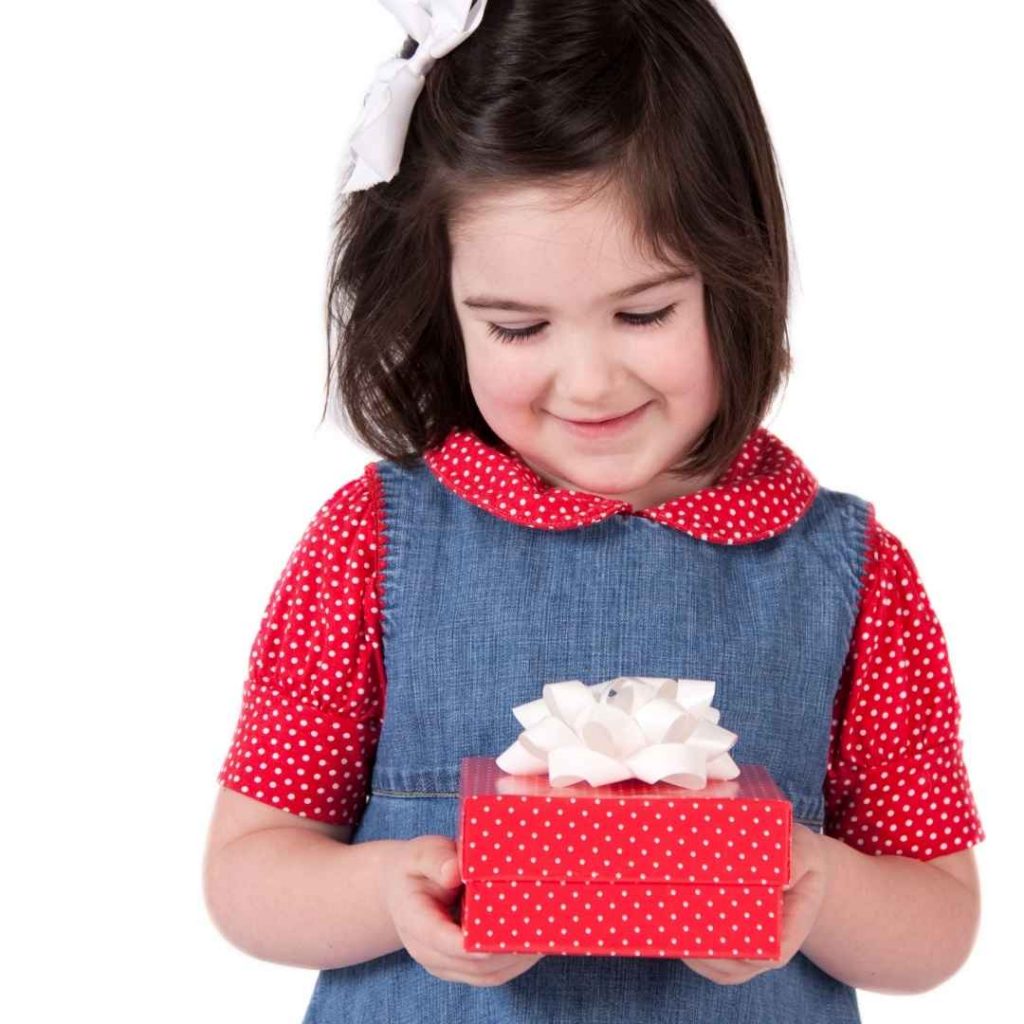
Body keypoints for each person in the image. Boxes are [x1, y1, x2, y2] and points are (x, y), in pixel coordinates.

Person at [201, 2, 985, 1021]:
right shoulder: (372, 544)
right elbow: (246, 876)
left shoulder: (847, 570)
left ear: (735, 274)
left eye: (644, 312)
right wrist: (389, 897)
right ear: (444, 305)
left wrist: (814, 886)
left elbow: (939, 921)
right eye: (518, 326)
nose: (587, 379)